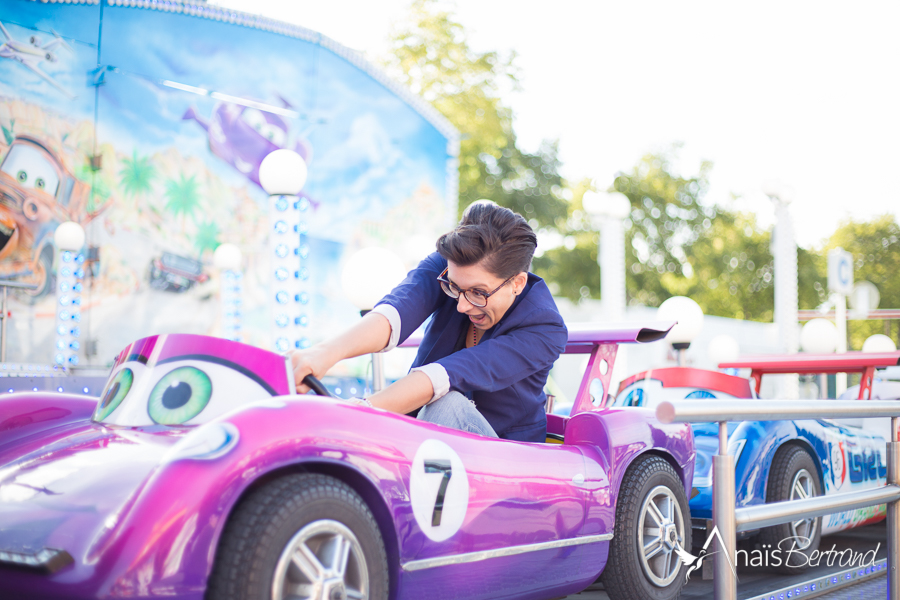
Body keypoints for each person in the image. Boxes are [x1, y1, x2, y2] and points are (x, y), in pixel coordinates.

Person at [290, 200, 567, 442]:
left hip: (505, 459)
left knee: (443, 404)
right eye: (456, 288)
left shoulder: (545, 329)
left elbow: (447, 375)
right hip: (428, 438)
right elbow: (397, 311)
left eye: (479, 293)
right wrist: (322, 354)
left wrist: (362, 411)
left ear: (517, 283)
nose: (462, 304)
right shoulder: (451, 267)